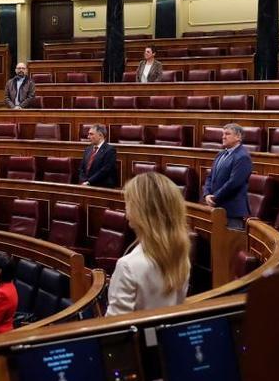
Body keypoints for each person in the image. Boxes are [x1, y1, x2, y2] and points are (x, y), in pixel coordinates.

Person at [107, 172, 191, 316]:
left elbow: (114, 330)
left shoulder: (128, 266)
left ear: (141, 212)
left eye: (128, 204)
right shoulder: (181, 255)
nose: (126, 212)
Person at [202, 123, 252, 230]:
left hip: (231, 212)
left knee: (229, 245)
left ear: (238, 137)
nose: (223, 137)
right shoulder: (220, 154)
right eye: (223, 134)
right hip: (217, 208)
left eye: (227, 134)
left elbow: (233, 183)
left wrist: (214, 197)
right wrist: (206, 194)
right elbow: (210, 177)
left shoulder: (243, 157)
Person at [78, 124, 118, 188]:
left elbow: (105, 170)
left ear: (100, 135)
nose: (88, 137)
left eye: (91, 134)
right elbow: (81, 169)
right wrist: (83, 181)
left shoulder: (110, 150)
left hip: (102, 186)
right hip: (85, 185)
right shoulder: (88, 149)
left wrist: (89, 182)